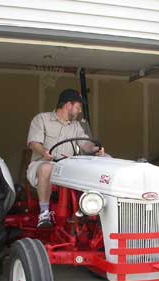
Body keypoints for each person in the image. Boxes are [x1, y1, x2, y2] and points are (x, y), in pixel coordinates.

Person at [27, 89, 105, 228]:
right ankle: (44, 213)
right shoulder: (42, 119)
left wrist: (96, 149)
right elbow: (33, 143)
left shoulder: (76, 126)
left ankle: (92, 212)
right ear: (68, 105)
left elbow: (85, 144)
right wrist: (44, 152)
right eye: (78, 106)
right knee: (47, 168)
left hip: (67, 168)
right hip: (43, 163)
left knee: (104, 161)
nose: (80, 110)